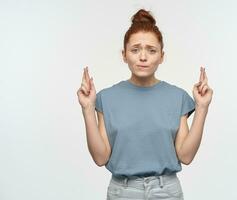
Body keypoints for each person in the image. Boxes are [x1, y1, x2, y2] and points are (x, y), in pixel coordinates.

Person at [77, 8, 213, 200]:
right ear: (124, 55)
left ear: (162, 56)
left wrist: (202, 108)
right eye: (135, 50)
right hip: (123, 191)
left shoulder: (177, 97)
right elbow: (100, 158)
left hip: (166, 191)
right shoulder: (106, 98)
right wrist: (87, 108)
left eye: (151, 50)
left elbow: (186, 156)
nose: (143, 57)